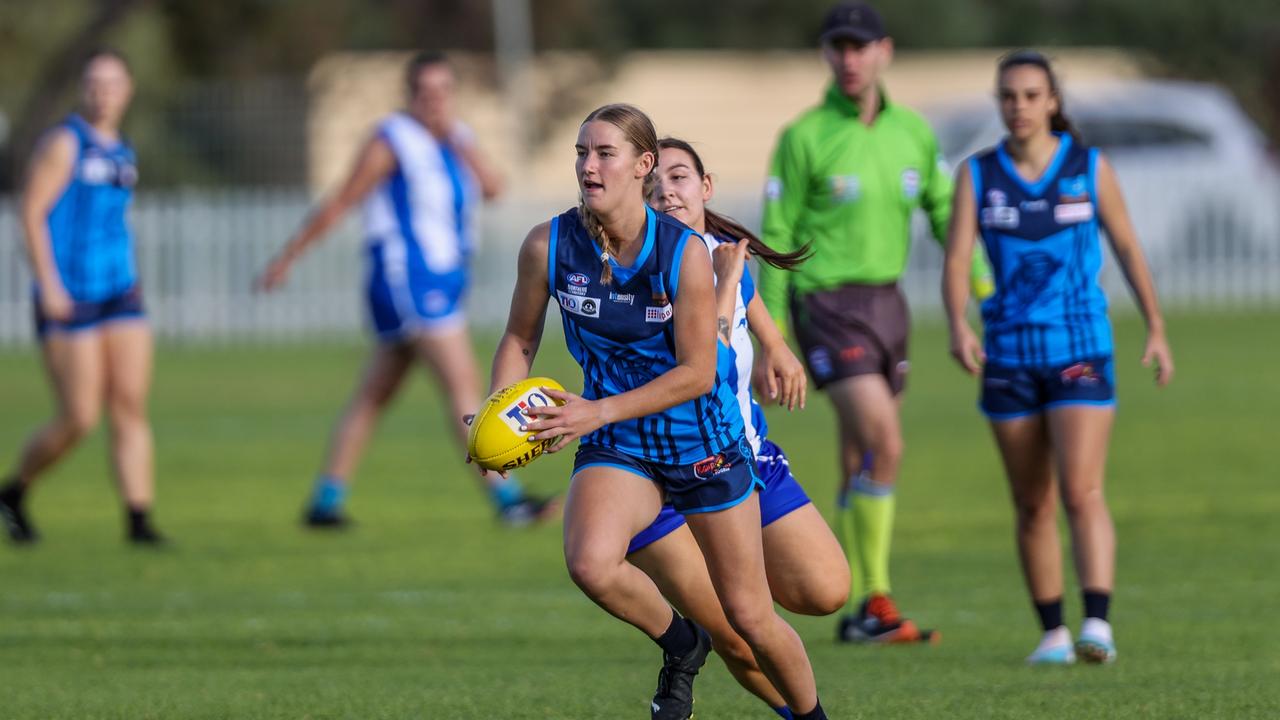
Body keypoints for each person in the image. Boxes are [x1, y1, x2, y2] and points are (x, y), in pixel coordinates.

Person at [487, 104, 829, 720]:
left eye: (604, 153)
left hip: (703, 444)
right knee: (590, 563)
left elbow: (699, 374)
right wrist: (497, 414)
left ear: (642, 165)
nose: (588, 166)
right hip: (619, 442)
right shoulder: (549, 244)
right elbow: (519, 337)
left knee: (751, 617)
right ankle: (681, 641)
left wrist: (595, 411)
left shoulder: (685, 252)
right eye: (581, 152)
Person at [758, 1, 992, 643]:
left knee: (860, 455)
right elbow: (775, 237)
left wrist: (983, 288)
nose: (850, 58)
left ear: (885, 51)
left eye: (861, 46)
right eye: (838, 46)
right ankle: (876, 600)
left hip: (888, 305)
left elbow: (948, 215)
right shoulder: (804, 136)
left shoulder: (913, 132)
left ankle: (855, 608)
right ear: (827, 54)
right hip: (827, 306)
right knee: (885, 442)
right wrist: (770, 340)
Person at [257, 51, 556, 528]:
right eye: (425, 93)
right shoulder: (392, 140)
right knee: (462, 383)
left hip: (440, 281)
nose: (435, 102)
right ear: (410, 95)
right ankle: (508, 500)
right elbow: (342, 199)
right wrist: (288, 258)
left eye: (443, 92)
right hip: (407, 280)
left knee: (374, 394)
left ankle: (325, 501)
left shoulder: (455, 140)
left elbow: (494, 188)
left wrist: (461, 142)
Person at [942, 50, 1174, 665]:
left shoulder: (1089, 168)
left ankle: (1097, 622)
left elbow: (1126, 246)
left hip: (1080, 349)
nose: (1017, 107)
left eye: (1030, 95)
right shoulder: (978, 175)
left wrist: (1155, 325)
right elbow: (958, 258)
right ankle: (1052, 633)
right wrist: (957, 324)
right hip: (1009, 356)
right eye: (1008, 96)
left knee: (1080, 489)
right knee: (1031, 500)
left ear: (1052, 102)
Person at [629, 137, 849, 719]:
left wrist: (779, 349)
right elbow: (708, 364)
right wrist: (726, 282)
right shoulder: (650, 267)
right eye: (653, 186)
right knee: (739, 636)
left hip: (743, 458)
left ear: (706, 187)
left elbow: (751, 310)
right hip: (661, 476)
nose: (666, 191)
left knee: (826, 590)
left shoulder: (724, 256)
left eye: (679, 177)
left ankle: (732, 581)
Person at [0, 49, 163, 546]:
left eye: (113, 83)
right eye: (94, 83)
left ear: (129, 89)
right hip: (70, 295)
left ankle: (139, 522)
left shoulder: (123, 149)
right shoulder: (65, 144)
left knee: (131, 405)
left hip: (120, 291)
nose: (103, 92)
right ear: (82, 89)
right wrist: (49, 284)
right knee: (79, 417)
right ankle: (13, 492)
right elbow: (31, 212)